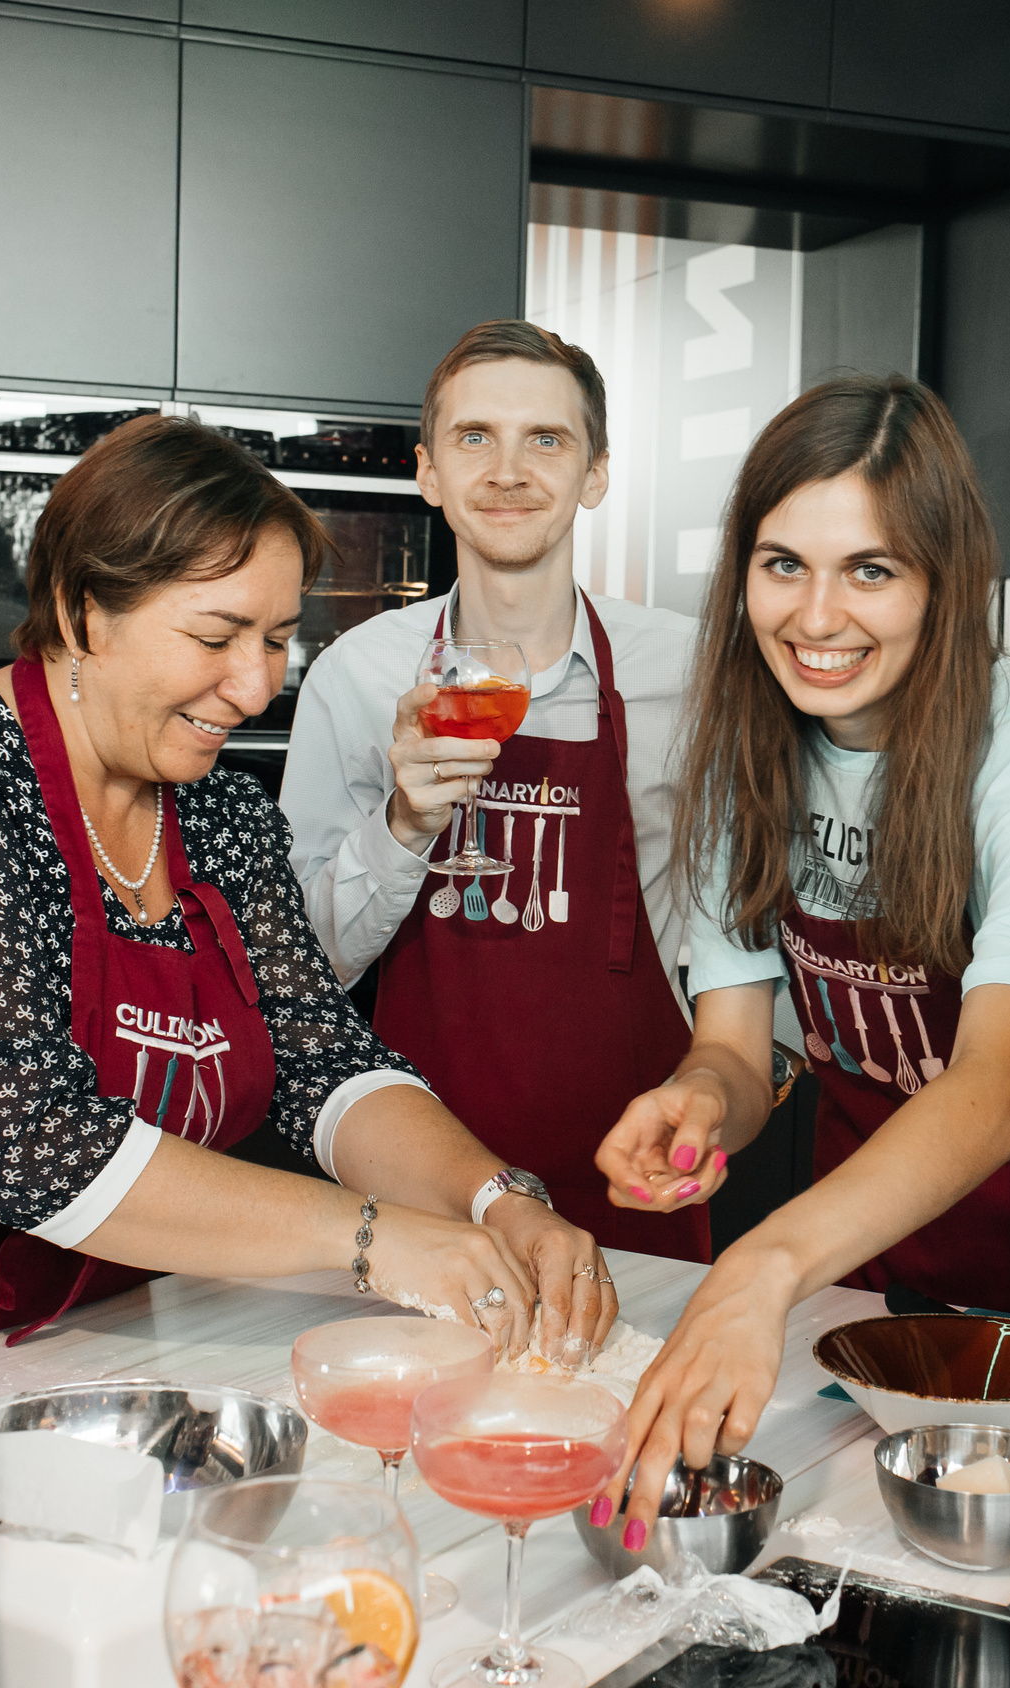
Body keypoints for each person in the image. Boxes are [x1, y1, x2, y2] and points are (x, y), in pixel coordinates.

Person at [0, 414, 615, 1351]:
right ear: (85, 613)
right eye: (217, 637)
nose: (254, 688)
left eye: (280, 639)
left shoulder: (221, 816)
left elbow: (324, 1062)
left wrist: (494, 1198)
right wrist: (373, 1240)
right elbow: (30, 1146)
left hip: (112, 1330)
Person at [592, 376, 1010, 1543]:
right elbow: (735, 1045)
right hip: (884, 1242)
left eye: (869, 570)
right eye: (783, 564)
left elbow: (988, 1099)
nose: (816, 616)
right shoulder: (744, 748)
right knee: (887, 1567)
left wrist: (758, 1269)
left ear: (944, 582)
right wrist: (694, 1102)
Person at [282, 322, 707, 1261]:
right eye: (475, 438)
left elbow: (739, 927)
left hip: (634, 1169)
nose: (508, 470)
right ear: (429, 473)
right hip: (418, 1183)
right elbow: (309, 966)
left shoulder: (691, 673)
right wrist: (405, 823)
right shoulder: (357, 678)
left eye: (545, 440)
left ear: (596, 474)